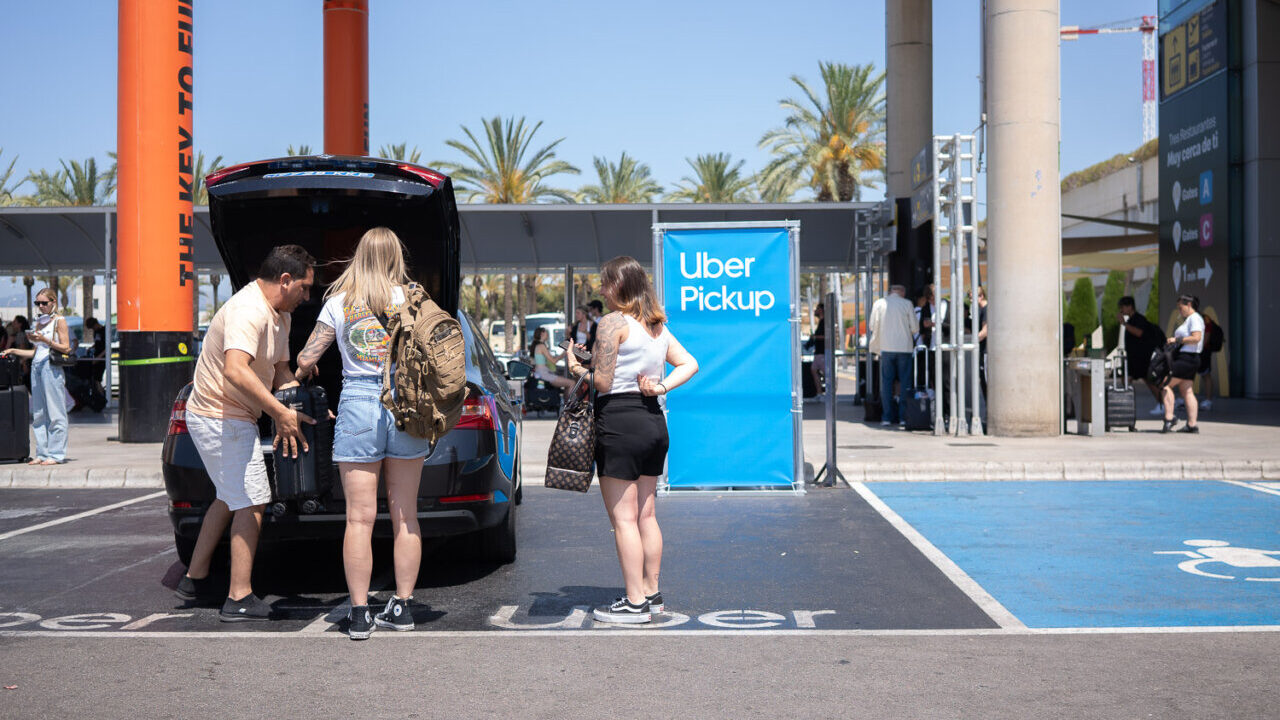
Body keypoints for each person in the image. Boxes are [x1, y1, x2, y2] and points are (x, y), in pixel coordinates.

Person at [293, 227, 432, 640]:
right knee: (406, 513)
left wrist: (304, 368)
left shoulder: (339, 302)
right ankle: (404, 608)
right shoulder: (414, 299)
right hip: (406, 404)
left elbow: (307, 356)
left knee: (359, 518)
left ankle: (358, 614)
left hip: (358, 402)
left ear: (359, 257)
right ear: (395, 257)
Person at [174, 245, 316, 622]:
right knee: (252, 499)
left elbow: (281, 372)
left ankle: (194, 578)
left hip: (236, 417)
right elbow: (235, 371)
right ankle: (238, 597)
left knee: (228, 496)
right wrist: (279, 413)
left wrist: (304, 407)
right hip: (219, 417)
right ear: (284, 281)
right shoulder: (247, 310)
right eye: (304, 287)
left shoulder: (279, 315)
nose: (307, 296)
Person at [563, 256, 698, 624]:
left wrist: (576, 368)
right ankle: (652, 595)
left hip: (619, 423)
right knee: (647, 514)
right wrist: (660, 386)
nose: (602, 291)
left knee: (623, 519)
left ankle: (635, 603)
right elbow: (690, 363)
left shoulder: (612, 322)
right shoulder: (657, 326)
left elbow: (603, 382)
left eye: (606, 284)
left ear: (620, 286)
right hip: (652, 421)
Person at [0, 289, 72, 464]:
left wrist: (46, 340)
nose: (41, 306)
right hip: (37, 366)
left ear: (53, 302)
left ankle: (56, 454)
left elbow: (67, 348)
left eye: (44, 303)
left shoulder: (59, 321)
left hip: (50, 366)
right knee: (39, 413)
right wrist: (13, 350)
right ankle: (43, 452)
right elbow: (35, 351)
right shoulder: (39, 322)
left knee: (55, 412)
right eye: (37, 303)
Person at [868, 285, 919, 428]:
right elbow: (915, 328)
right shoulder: (907, 303)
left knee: (887, 383)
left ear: (890, 292)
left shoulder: (879, 303)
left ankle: (886, 417)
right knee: (905, 383)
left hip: (886, 348)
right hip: (904, 348)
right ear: (902, 292)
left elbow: (872, 326)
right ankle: (903, 417)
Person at [1161, 294, 1204, 434]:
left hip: (1187, 358)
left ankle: (1169, 418)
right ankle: (1192, 425)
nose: (1179, 310)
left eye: (1181, 307)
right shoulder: (1191, 319)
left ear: (1189, 305)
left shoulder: (1195, 318)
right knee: (1187, 390)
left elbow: (1197, 338)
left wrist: (1177, 340)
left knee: (1165, 383)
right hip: (1191, 358)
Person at [1116, 296, 1165, 414]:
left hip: (1143, 357)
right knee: (1128, 379)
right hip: (1134, 358)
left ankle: (1163, 404)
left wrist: (1124, 324)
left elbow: (1139, 333)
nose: (1121, 310)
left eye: (1122, 307)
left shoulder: (1139, 319)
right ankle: (1128, 405)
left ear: (1130, 307)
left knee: (1151, 382)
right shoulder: (1131, 320)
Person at [529, 326, 575, 394]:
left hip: (541, 373)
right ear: (542, 334)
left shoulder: (537, 345)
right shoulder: (541, 346)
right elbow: (553, 361)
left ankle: (566, 403)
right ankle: (569, 404)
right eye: (546, 333)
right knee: (572, 383)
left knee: (567, 383)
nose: (547, 334)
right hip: (544, 374)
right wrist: (564, 353)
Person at [1197, 314, 1224, 410]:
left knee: (1206, 375)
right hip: (1199, 350)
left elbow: (1206, 337)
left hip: (1203, 351)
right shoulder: (1199, 318)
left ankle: (1208, 401)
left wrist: (1199, 348)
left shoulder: (1205, 319)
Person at [807, 302, 827, 400]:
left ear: (821, 310)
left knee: (826, 373)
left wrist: (815, 336)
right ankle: (819, 393)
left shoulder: (824, 322)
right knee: (814, 370)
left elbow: (826, 336)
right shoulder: (821, 322)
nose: (815, 310)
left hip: (823, 352)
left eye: (817, 308)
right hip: (818, 352)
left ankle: (826, 393)